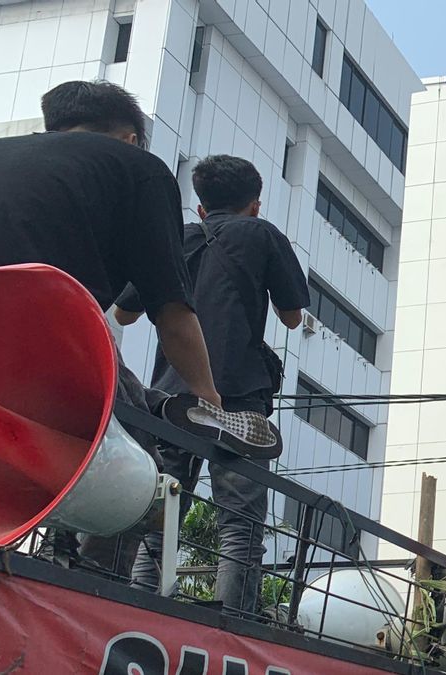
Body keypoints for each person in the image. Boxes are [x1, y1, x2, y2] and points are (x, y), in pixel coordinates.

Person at [0, 80, 227, 575]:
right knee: (135, 466)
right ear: (131, 138)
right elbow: (172, 309)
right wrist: (208, 397)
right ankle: (85, 586)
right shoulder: (137, 169)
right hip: (48, 337)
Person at [117, 155, 309, 615]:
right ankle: (234, 616)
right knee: (239, 517)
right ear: (255, 205)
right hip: (239, 398)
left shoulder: (175, 237)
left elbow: (124, 312)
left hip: (170, 397)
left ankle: (141, 603)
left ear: (201, 207)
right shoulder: (262, 235)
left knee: (160, 508)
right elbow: (292, 316)